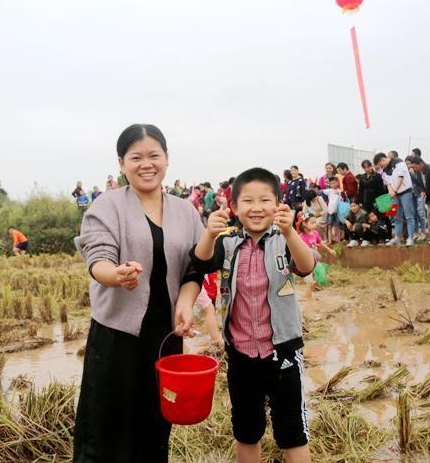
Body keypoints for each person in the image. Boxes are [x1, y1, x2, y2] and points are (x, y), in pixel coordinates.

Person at [73, 124, 204, 462]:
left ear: (166, 159)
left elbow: (195, 268)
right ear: (121, 163)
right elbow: (97, 259)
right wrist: (116, 277)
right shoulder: (106, 207)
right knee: (105, 426)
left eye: (154, 156)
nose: (146, 164)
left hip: (165, 335)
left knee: (156, 424)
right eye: (136, 157)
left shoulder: (186, 211)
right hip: (117, 336)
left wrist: (186, 304)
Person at [191, 167, 315, 463]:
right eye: (247, 201)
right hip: (241, 356)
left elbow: (307, 265)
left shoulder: (283, 239)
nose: (256, 208)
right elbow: (202, 262)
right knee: (246, 432)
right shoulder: (228, 243)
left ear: (278, 205)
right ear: (234, 207)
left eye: (265, 200)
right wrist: (209, 233)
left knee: (292, 432)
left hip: (283, 353)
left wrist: (290, 230)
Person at [373, 152, 417, 247]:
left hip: (405, 192)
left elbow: (401, 177)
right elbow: (388, 182)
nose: (381, 167)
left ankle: (410, 238)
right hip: (395, 195)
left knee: (409, 216)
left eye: (380, 164)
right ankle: (397, 238)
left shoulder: (398, 162)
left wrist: (395, 191)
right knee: (396, 217)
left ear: (383, 160)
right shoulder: (384, 169)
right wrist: (390, 192)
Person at [298, 215, 337, 299]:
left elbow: (321, 243)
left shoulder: (315, 233)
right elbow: (302, 250)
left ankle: (308, 296)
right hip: (306, 263)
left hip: (315, 261)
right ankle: (307, 299)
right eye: (312, 223)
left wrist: (329, 250)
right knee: (310, 282)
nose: (315, 225)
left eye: (315, 222)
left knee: (315, 280)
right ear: (304, 223)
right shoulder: (301, 237)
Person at [405, 155, 428, 242]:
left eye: (409, 164)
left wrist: (413, 173)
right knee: (413, 213)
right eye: (406, 164)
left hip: (419, 193)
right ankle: (415, 232)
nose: (408, 166)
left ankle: (423, 232)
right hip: (410, 194)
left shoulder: (418, 171)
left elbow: (420, 183)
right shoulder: (405, 172)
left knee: (421, 213)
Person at [324, 177, 343, 244]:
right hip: (330, 211)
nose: (333, 185)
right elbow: (322, 191)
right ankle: (329, 240)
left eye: (334, 183)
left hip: (337, 212)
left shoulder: (340, 191)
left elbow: (342, 200)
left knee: (337, 226)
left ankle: (338, 240)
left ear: (337, 183)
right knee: (329, 225)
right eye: (331, 183)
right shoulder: (329, 191)